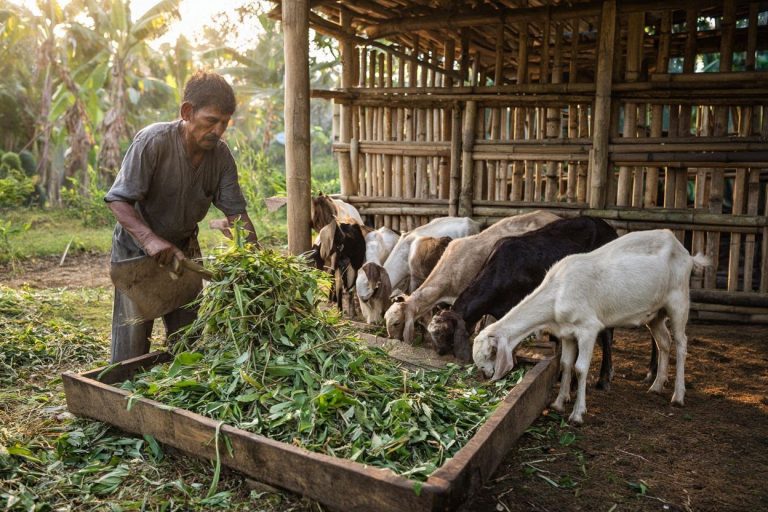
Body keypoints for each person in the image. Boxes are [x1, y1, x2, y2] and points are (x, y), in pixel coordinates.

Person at [104, 70, 257, 363]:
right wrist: (150, 240)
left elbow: (237, 215)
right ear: (187, 112)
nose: (218, 130)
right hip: (137, 254)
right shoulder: (153, 141)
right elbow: (118, 199)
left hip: (184, 254)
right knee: (130, 352)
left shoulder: (221, 158)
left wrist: (255, 262)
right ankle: (118, 403)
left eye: (224, 123)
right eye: (211, 121)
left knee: (188, 345)